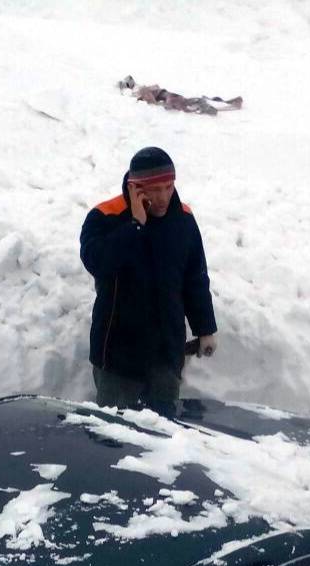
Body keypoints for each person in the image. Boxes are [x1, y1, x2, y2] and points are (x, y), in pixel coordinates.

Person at [80, 147, 217, 416]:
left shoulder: (184, 220)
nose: (164, 196)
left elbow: (194, 278)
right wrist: (135, 225)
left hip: (166, 355)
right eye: (154, 190)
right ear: (135, 188)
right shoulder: (105, 217)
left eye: (169, 186)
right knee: (113, 440)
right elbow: (97, 262)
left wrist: (205, 328)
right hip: (118, 357)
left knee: (162, 441)